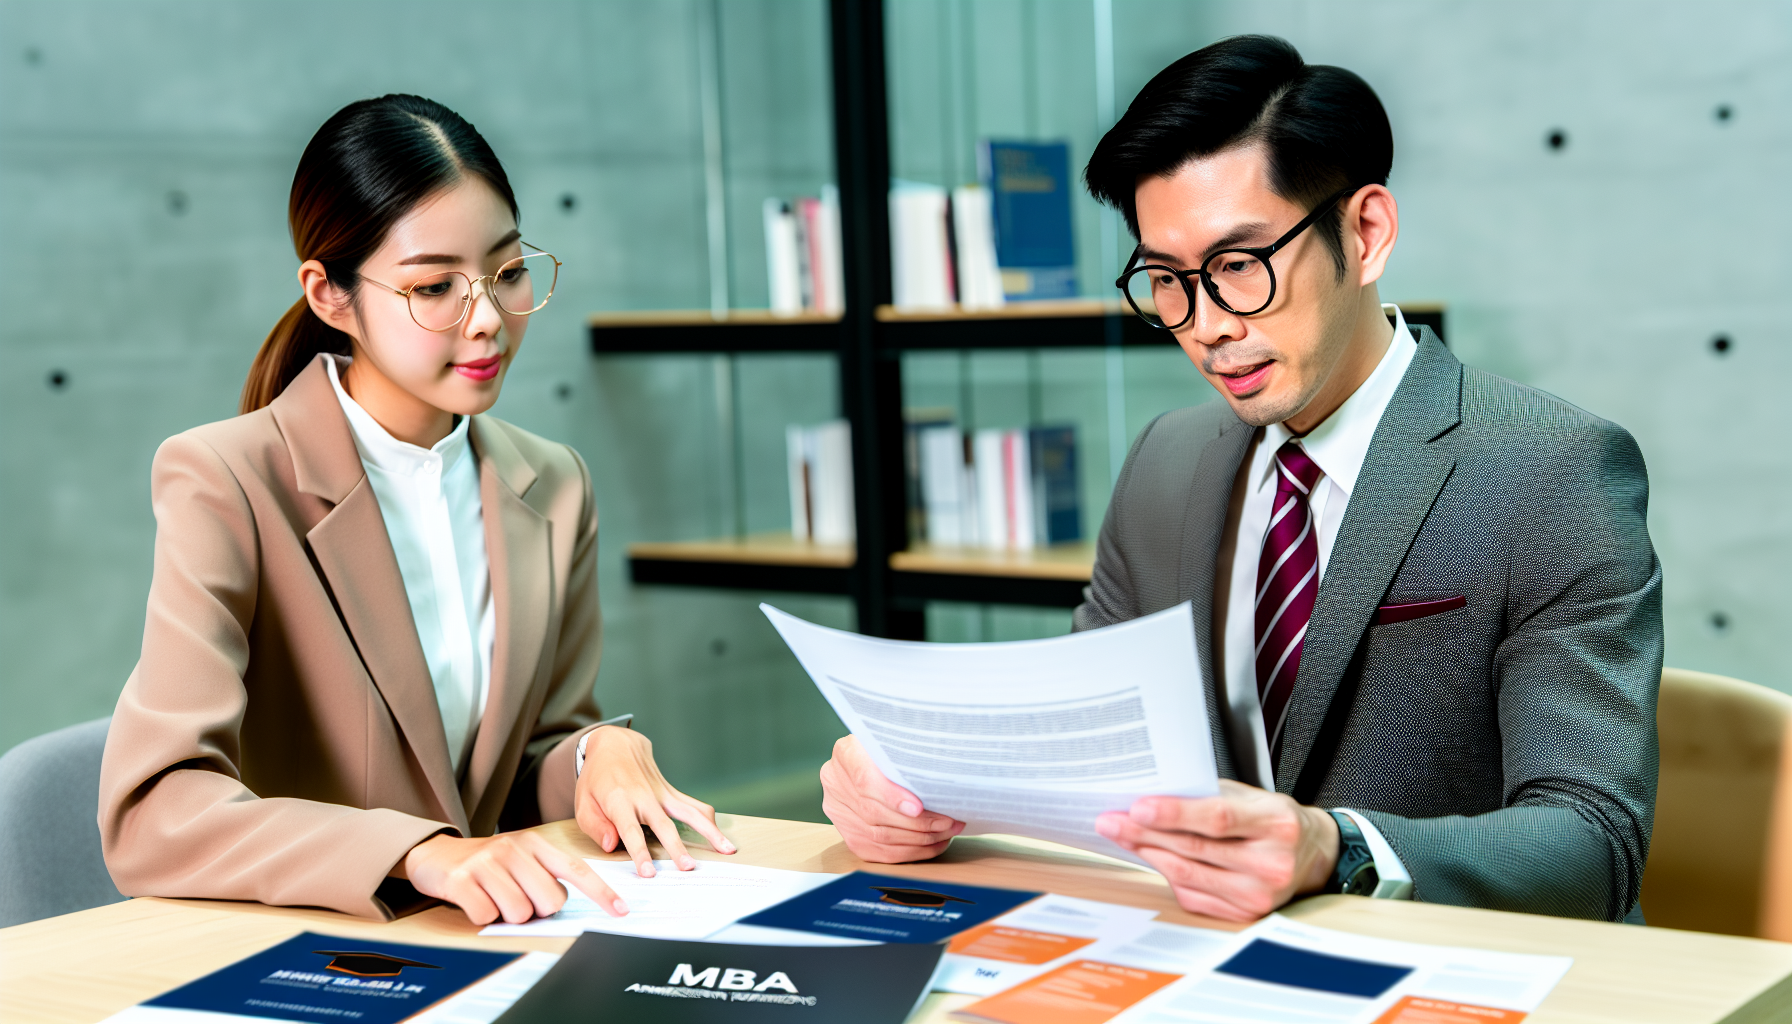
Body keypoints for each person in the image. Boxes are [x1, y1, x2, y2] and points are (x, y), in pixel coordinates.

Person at [820, 36, 1660, 924]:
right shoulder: (1166, 461)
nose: (1207, 326)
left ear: (1365, 232)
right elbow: (1079, 750)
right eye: (1167, 281)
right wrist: (913, 784)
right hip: (1203, 963)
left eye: (1237, 266)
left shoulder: (1549, 470)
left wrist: (1332, 848)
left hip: (1461, 971)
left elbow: (1592, 840)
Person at [99, 95, 733, 925]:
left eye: (507, 273)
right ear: (330, 295)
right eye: (434, 287)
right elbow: (153, 812)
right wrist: (419, 853)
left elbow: (517, 764)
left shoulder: (554, 483)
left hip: (492, 943)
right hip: (312, 955)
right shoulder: (227, 481)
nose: (488, 321)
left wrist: (590, 753)